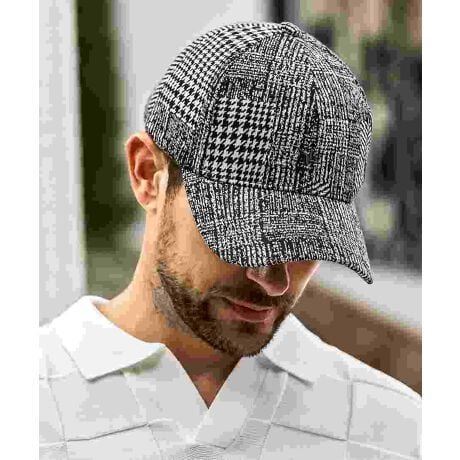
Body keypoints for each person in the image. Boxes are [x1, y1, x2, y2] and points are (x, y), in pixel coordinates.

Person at [39, 21, 421, 459]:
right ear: (148, 174)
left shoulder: (397, 432)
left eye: (305, 241)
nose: (275, 281)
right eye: (242, 230)